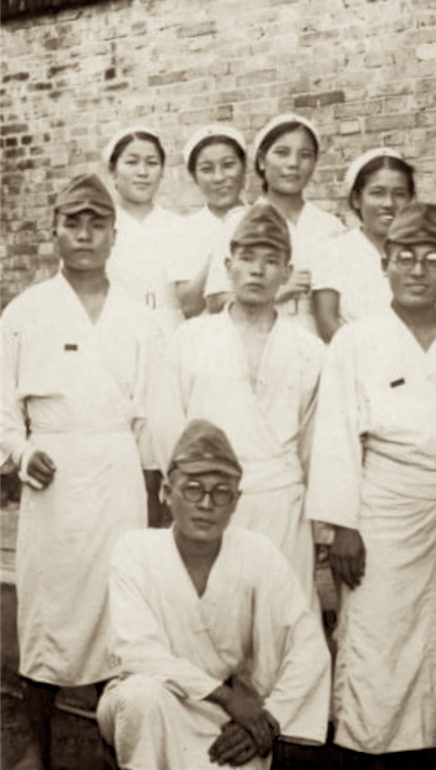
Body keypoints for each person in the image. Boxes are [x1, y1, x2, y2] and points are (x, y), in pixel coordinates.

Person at [306, 202, 436, 767]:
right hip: (375, 516)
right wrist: (343, 527)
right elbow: (336, 435)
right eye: (405, 257)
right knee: (372, 640)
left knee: (431, 642)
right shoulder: (357, 340)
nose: (418, 270)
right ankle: (359, 749)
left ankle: (421, 750)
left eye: (431, 259)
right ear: (386, 265)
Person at [1, 175, 158, 770]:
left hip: (117, 475)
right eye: (73, 223)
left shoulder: (138, 315)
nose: (86, 235)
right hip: (54, 479)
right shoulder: (25, 312)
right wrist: (21, 453)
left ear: (115, 235)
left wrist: (154, 488)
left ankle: (114, 744)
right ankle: (37, 746)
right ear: (55, 232)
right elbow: (2, 406)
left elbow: (154, 411)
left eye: (97, 224)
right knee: (47, 608)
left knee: (118, 607)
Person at [97, 418, 331, 770]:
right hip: (155, 702)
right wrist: (227, 697)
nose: (207, 504)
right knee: (140, 696)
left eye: (221, 493)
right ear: (166, 492)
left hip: (229, 716)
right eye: (193, 489)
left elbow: (308, 645)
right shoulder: (135, 550)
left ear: (236, 502)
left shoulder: (258, 553)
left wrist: (269, 717)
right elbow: (138, 652)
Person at [151, 203, 324, 608]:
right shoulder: (191, 339)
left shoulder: (309, 350)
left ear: (287, 271)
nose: (257, 271)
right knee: (213, 614)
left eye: (271, 261)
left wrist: (317, 519)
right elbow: (166, 424)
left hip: (282, 503)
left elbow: (315, 443)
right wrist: (189, 490)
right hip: (208, 501)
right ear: (228, 266)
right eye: (246, 258)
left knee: (281, 615)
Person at [205, 113, 344, 333]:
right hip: (257, 336)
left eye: (305, 155)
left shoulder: (330, 226)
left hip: (316, 342)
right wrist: (279, 291)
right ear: (262, 161)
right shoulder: (238, 222)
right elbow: (215, 300)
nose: (293, 164)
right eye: (282, 153)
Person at [313, 148, 416, 341]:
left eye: (400, 194)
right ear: (356, 199)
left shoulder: (421, 253)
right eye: (377, 193)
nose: (389, 203)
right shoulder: (334, 252)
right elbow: (327, 323)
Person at [104, 125, 187, 333]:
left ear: (162, 171)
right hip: (117, 337)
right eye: (131, 162)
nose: (142, 172)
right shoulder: (99, 229)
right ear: (113, 170)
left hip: (171, 337)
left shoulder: (179, 227)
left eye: (152, 163)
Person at [174, 124, 248, 317]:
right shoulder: (184, 230)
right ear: (194, 177)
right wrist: (221, 246)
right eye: (206, 169)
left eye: (228, 165)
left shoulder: (264, 219)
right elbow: (189, 306)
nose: (219, 177)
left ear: (244, 167)